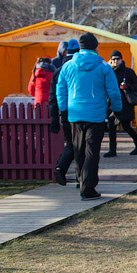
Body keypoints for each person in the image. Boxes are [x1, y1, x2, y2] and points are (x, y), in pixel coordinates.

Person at [56, 32, 122, 201]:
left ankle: (80, 180)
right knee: (92, 151)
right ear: (95, 47)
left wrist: (63, 110)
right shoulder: (104, 67)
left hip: (74, 114)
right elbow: (113, 91)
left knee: (79, 150)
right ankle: (88, 187)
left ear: (80, 47)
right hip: (96, 115)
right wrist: (117, 109)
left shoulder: (68, 66)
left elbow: (61, 89)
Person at [50, 39, 80, 186]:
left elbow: (53, 98)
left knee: (71, 143)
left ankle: (60, 167)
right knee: (81, 145)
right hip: (79, 111)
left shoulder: (57, 71)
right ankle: (81, 178)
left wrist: (54, 119)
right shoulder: (78, 68)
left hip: (64, 112)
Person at [103, 51, 137, 157]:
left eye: (117, 59)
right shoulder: (108, 71)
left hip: (125, 104)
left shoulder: (127, 72)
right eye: (113, 59)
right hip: (111, 103)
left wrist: (127, 86)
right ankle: (112, 150)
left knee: (126, 126)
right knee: (111, 127)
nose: (115, 61)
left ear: (121, 59)